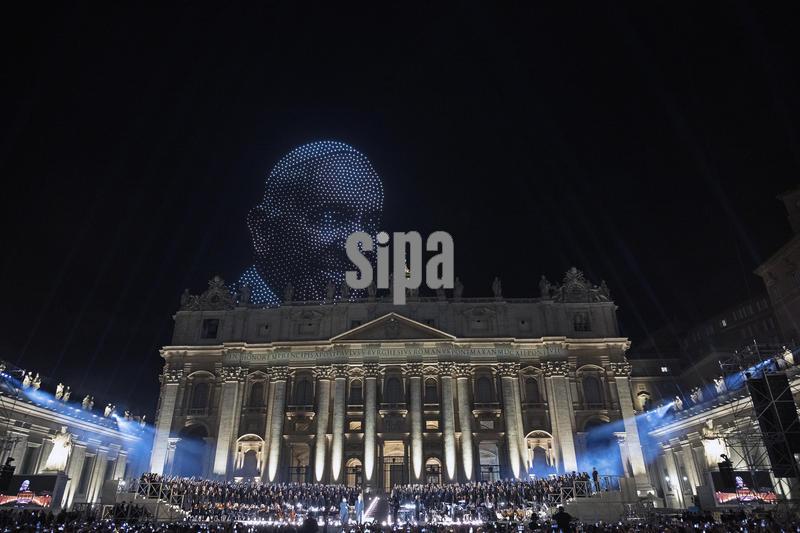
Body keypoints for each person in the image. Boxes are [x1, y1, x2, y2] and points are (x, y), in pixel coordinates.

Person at [239, 141, 384, 305]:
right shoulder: (230, 306)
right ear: (262, 231)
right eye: (330, 218)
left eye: (369, 224)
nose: (358, 244)